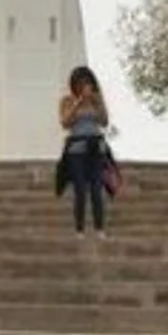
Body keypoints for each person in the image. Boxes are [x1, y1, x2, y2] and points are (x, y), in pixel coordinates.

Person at [58, 65, 112, 238]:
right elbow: (65, 123)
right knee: (80, 189)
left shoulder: (97, 101)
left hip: (96, 148)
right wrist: (78, 103)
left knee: (97, 189)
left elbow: (104, 122)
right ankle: (79, 229)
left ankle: (99, 229)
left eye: (88, 83)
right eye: (81, 83)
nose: (85, 86)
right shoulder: (67, 100)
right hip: (76, 150)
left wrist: (97, 102)